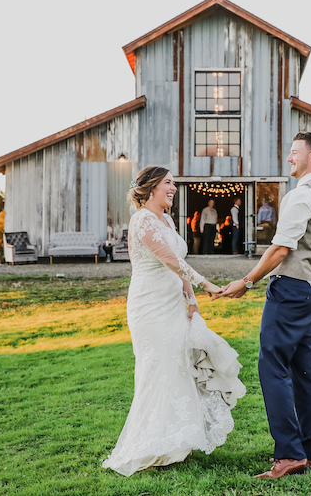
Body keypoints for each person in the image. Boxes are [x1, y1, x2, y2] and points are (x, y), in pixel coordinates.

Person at [102, 166, 246, 476]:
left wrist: (190, 301)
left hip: (173, 304)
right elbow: (168, 259)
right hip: (150, 306)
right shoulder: (141, 220)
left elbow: (179, 265)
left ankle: (175, 442)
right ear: (151, 187)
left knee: (179, 366)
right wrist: (204, 284)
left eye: (174, 184)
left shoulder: (166, 220)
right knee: (157, 368)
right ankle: (149, 442)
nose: (173, 188)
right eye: (168, 183)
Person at [214, 132, 311, 479]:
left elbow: (281, 248)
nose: (289, 158)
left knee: (272, 368)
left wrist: (247, 281)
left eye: (294, 152)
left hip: (289, 293)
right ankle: (309, 452)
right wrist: (310, 283)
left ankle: (288, 455)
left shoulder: (302, 195)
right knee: (304, 373)